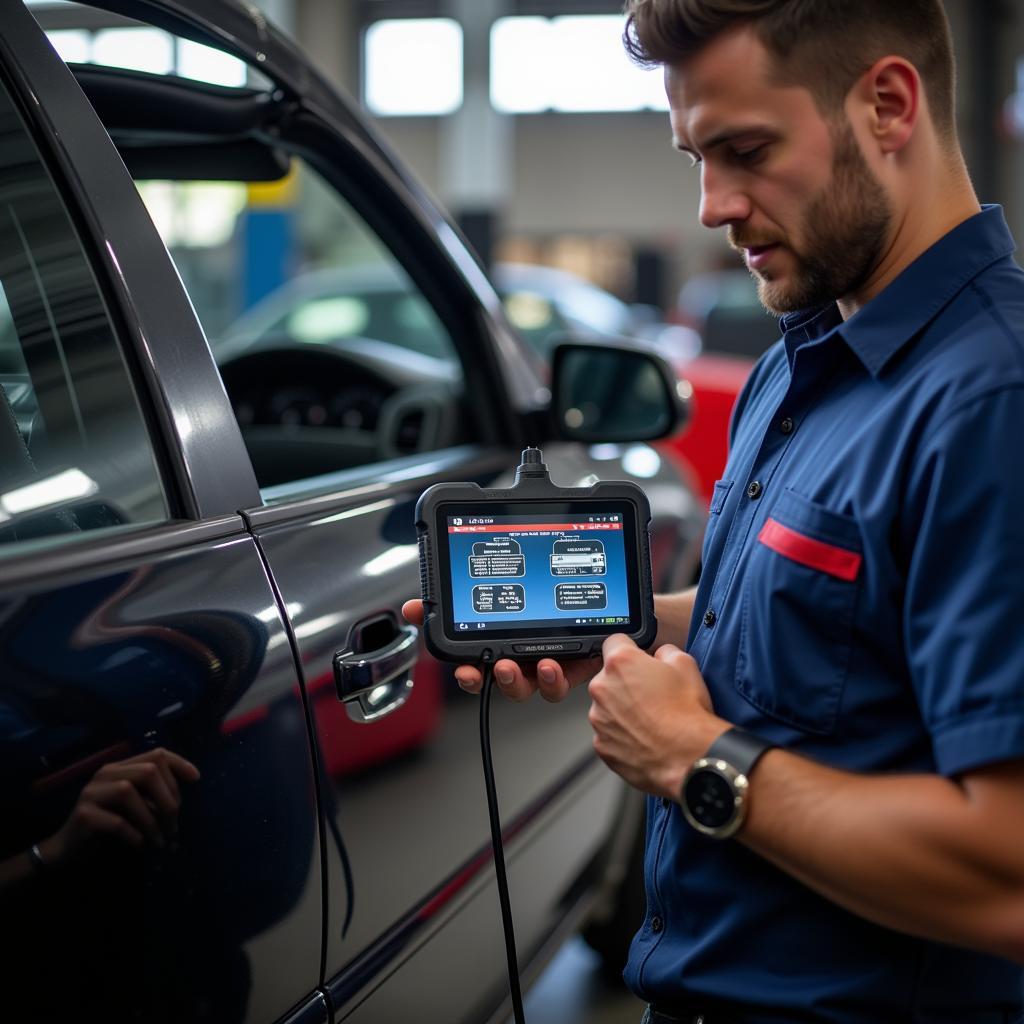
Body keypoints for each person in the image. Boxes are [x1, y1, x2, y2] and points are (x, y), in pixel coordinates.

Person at [407, 0, 1024, 1019]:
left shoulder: (990, 404)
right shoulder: (799, 362)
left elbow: (1005, 875)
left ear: (886, 105)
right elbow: (819, 618)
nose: (710, 205)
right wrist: (605, 618)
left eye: (744, 150)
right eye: (694, 154)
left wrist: (694, 756)